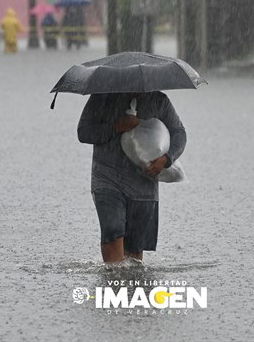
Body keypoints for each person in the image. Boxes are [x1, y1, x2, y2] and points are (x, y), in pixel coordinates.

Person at [77, 92, 186, 263]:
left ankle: (130, 286)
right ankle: (112, 282)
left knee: (134, 253)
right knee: (112, 230)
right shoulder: (102, 96)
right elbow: (83, 132)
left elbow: (179, 133)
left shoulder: (160, 100)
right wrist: (116, 126)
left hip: (144, 185)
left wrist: (166, 159)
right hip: (107, 178)